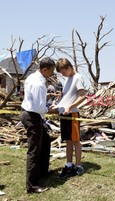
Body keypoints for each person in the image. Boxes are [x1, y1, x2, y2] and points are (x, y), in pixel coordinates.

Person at [20, 57, 56, 194]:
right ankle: (32, 185)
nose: (52, 74)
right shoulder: (38, 83)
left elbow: (35, 99)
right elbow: (39, 107)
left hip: (31, 113)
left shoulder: (33, 77)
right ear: (44, 69)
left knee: (45, 141)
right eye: (51, 71)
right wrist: (54, 110)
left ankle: (42, 172)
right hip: (32, 116)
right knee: (34, 150)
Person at [50, 58, 85, 178]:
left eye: (63, 72)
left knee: (75, 141)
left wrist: (70, 107)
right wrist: (58, 105)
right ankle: (69, 164)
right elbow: (66, 97)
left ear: (69, 67)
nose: (62, 74)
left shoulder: (78, 78)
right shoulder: (67, 79)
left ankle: (79, 165)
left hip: (72, 114)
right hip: (63, 114)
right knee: (68, 140)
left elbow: (82, 96)